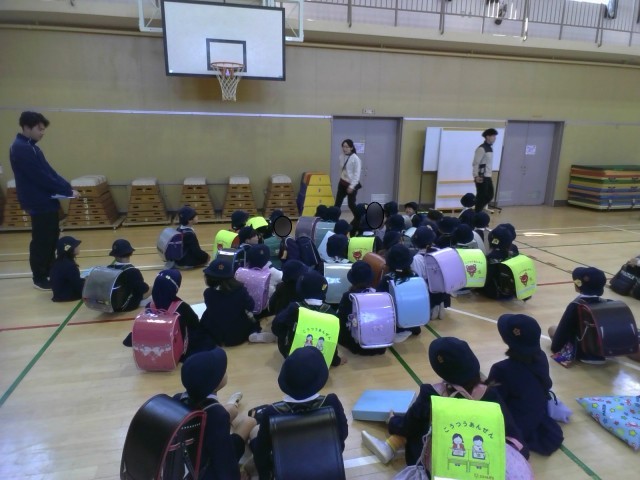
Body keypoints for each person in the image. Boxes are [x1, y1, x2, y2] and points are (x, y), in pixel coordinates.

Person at [361, 337, 528, 466]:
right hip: (480, 462)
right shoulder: (491, 394)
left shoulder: (431, 394)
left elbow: (408, 426)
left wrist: (392, 421)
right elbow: (510, 430)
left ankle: (391, 444)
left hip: (440, 463)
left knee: (418, 423)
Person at [248, 346, 349, 480]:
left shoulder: (272, 412)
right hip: (326, 468)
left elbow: (262, 452)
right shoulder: (331, 402)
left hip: (288, 471)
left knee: (254, 431)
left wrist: (265, 475)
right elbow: (343, 433)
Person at [9, 111, 80, 290]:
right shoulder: (21, 148)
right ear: (27, 127)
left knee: (51, 238)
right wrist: (65, 190)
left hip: (46, 200)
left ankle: (49, 271)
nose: (43, 133)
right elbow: (40, 177)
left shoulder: (31, 147)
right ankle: (39, 277)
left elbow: (49, 171)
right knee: (42, 241)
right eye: (39, 129)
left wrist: (67, 187)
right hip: (38, 202)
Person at [174, 348, 256, 480]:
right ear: (215, 383)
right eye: (223, 371)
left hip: (187, 454)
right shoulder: (217, 415)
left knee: (232, 410)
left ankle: (233, 404)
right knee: (249, 422)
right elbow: (224, 459)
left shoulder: (178, 398)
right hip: (205, 469)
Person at [488, 314, 564, 456]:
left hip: (516, 425)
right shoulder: (541, 356)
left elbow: (494, 403)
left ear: (506, 339)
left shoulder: (501, 369)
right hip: (537, 414)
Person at [271, 270, 346, 366]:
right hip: (321, 357)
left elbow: (276, 326)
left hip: (292, 355)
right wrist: (335, 360)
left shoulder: (294, 308)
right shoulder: (331, 312)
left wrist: (284, 335)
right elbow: (334, 338)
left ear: (300, 289)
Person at [195, 258, 274, 349]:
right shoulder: (240, 291)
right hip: (237, 333)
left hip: (215, 334)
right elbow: (251, 306)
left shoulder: (208, 293)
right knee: (252, 321)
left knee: (207, 316)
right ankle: (253, 332)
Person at [122, 269, 200, 359]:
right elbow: (195, 323)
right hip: (175, 348)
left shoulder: (149, 306)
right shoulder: (182, 307)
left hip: (153, 349)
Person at [548, 266, 608, 364]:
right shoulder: (607, 303)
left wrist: (556, 347)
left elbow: (562, 331)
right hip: (603, 352)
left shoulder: (575, 306)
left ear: (579, 284)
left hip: (581, 352)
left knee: (552, 329)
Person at [336, 261, 386, 356]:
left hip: (356, 345)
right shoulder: (378, 294)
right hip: (379, 344)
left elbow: (341, 319)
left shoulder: (348, 296)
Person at [107, 239, 150, 311]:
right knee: (153, 288)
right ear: (131, 253)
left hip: (111, 304)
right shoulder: (133, 271)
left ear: (114, 255)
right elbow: (143, 289)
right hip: (125, 306)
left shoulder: (109, 268)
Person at [333, 139, 362, 221]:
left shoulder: (356, 159)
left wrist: (351, 186)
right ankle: (333, 220)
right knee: (337, 203)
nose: (344, 148)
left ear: (351, 148)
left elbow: (357, 174)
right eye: (343, 146)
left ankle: (359, 218)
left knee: (351, 204)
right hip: (342, 183)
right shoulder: (341, 156)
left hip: (351, 184)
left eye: (346, 147)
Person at [50, 236, 84, 302]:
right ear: (70, 249)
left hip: (59, 294)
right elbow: (78, 286)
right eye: (76, 246)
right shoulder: (70, 266)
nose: (78, 247)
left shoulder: (57, 262)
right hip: (67, 296)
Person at [472, 128, 498, 213]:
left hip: (488, 176)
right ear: (487, 137)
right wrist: (476, 176)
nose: (495, 138)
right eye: (493, 136)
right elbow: (476, 163)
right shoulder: (481, 148)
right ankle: (477, 213)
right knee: (481, 196)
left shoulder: (490, 148)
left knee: (490, 195)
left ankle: (477, 211)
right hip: (481, 177)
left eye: (495, 136)